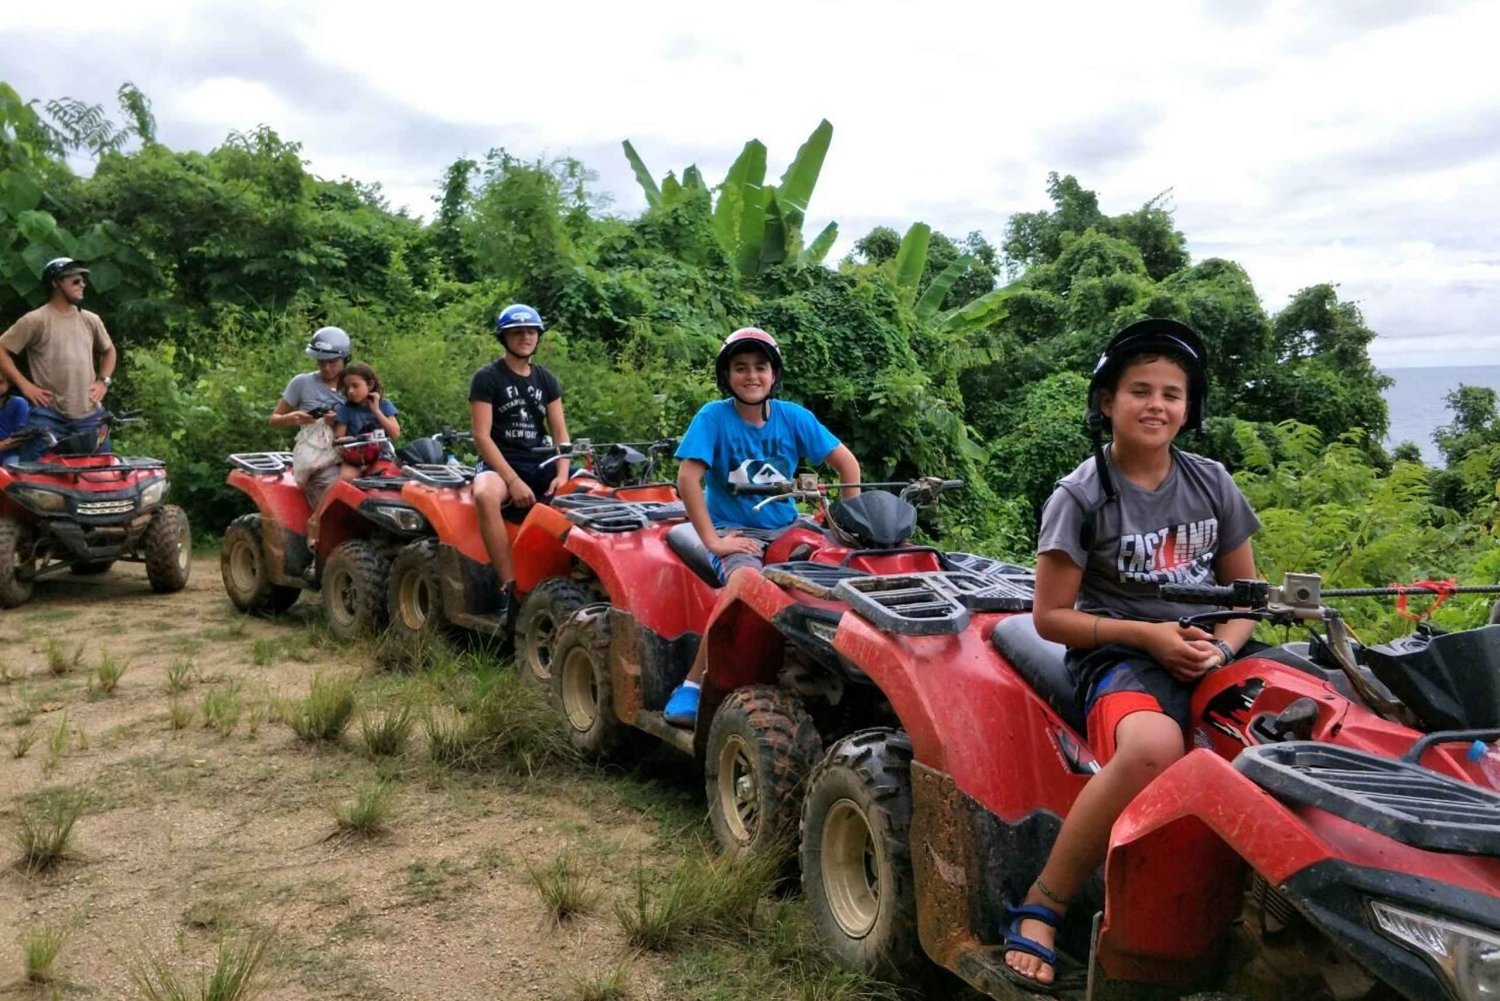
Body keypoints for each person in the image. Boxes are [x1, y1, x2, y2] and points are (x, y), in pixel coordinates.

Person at [1002, 318, 1260, 989]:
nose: (1157, 405)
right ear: (1107, 402)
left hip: (1207, 648)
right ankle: (1044, 901)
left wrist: (1219, 652)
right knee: (1152, 747)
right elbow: (1051, 616)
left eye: (1172, 393)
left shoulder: (1213, 483)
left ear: (1190, 408)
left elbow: (1245, 600)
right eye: (1139, 389)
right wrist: (1152, 637)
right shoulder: (1081, 495)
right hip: (1116, 650)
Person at [662, 327, 861, 726]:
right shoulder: (713, 418)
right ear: (727, 375)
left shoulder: (793, 417)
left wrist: (848, 525)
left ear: (774, 374)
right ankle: (692, 684)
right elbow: (688, 479)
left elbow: (847, 465)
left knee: (842, 574)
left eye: (760, 367)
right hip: (737, 531)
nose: (751, 376)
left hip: (788, 528)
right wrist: (714, 542)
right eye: (740, 368)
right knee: (745, 585)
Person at [469, 304, 571, 609]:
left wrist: (563, 474)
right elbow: (481, 436)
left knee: (590, 492)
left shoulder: (547, 380)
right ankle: (508, 587)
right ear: (504, 337)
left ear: (538, 336)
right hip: (501, 464)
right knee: (485, 495)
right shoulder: (487, 378)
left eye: (531, 331)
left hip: (541, 462)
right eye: (517, 332)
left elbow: (561, 435)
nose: (525, 337)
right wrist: (512, 481)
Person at [0, 258, 117, 461]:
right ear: (55, 283)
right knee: (33, 479)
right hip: (49, 415)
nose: (83, 285)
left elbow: (109, 351)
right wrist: (25, 385)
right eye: (76, 280)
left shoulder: (90, 319)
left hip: (90, 415)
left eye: (83, 280)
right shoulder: (36, 319)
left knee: (102, 475)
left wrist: (103, 381)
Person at [270, 326, 349, 547]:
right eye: (320, 361)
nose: (326, 367)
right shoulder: (302, 383)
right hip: (319, 459)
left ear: (345, 359)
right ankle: (320, 550)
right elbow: (274, 419)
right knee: (334, 499)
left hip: (350, 453)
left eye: (332, 362)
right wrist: (293, 418)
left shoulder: (353, 384)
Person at [333, 362, 400, 481]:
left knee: (384, 477)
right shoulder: (346, 410)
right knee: (346, 479)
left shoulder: (384, 405)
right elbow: (338, 439)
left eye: (355, 386)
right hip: (355, 458)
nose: (350, 391)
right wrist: (344, 442)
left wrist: (377, 411)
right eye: (347, 387)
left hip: (382, 455)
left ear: (370, 384)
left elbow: (395, 434)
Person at [0, 370, 30, 466]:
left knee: (14, 471)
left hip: (10, 455)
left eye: (0, 382)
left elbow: (21, 437)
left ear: (8, 384)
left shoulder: (18, 403)